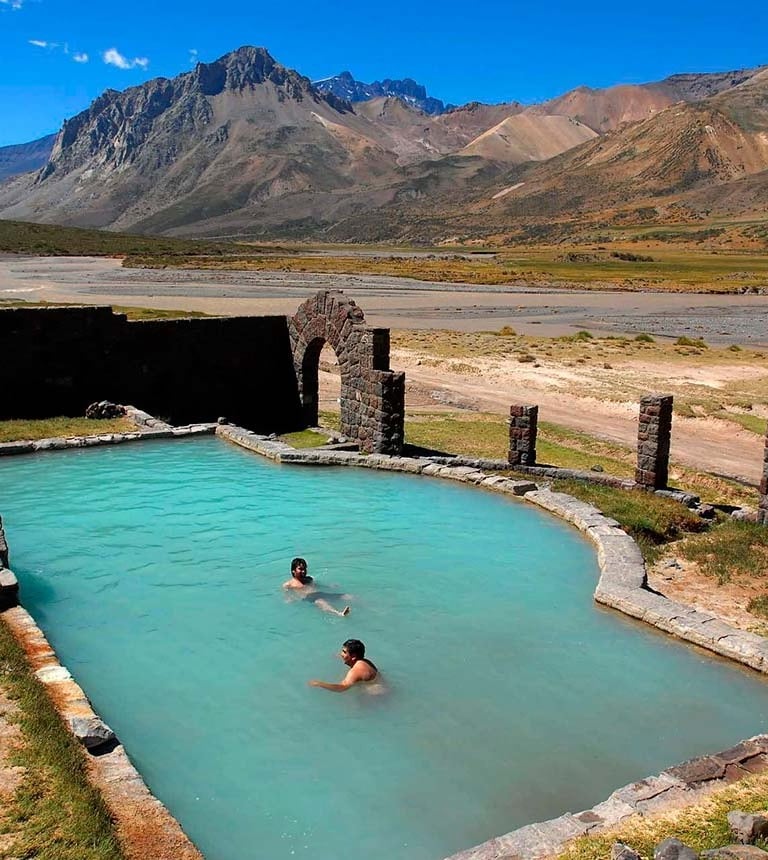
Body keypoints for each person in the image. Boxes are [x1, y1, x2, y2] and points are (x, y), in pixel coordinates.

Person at [282, 557, 350, 617]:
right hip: (309, 598)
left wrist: (329, 586)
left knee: (346, 596)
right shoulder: (289, 584)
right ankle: (339, 613)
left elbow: (318, 585)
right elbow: (286, 592)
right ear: (293, 571)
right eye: (300, 569)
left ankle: (359, 603)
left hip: (319, 594)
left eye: (305, 569)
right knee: (321, 602)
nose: (303, 571)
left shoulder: (309, 579)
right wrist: (288, 598)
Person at [309, 639, 378, 692]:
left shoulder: (355, 672)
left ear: (353, 656)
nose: (341, 654)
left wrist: (320, 684)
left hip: (373, 695)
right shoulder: (365, 661)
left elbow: (341, 688)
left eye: (344, 652)